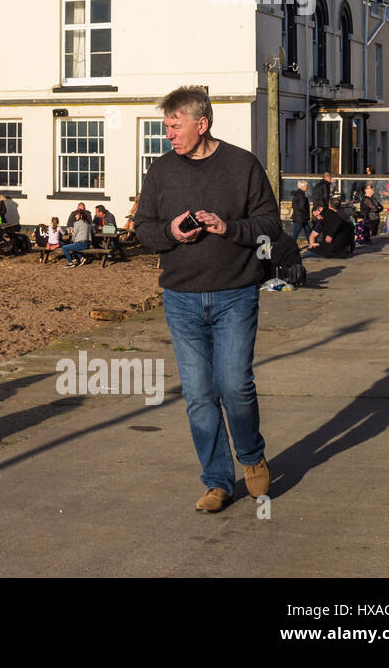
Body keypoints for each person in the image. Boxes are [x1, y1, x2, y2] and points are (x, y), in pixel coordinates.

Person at [134, 85, 278, 514]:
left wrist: (228, 227)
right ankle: (217, 481)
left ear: (202, 123)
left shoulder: (242, 165)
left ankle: (250, 455)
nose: (169, 136)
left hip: (235, 293)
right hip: (180, 298)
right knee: (198, 395)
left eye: (175, 127)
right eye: (165, 127)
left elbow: (271, 225)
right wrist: (171, 232)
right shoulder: (160, 171)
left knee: (234, 386)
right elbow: (143, 229)